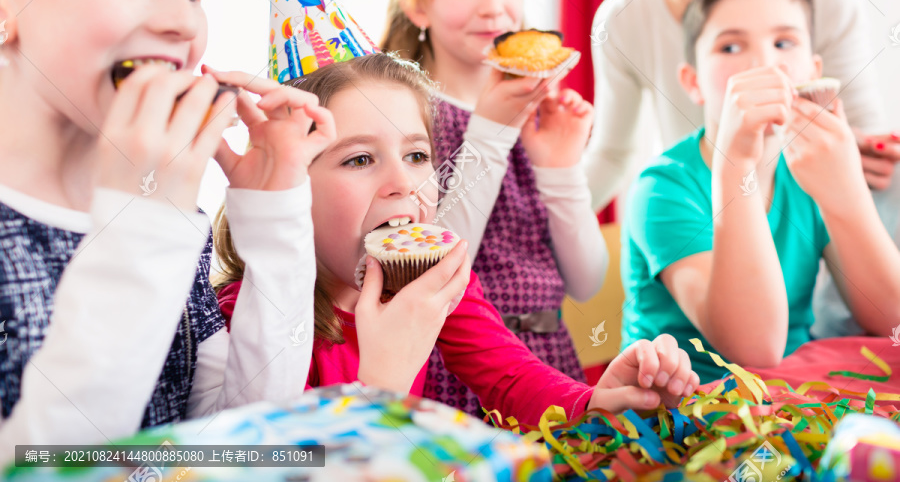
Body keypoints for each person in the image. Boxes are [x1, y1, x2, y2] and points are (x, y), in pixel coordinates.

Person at [0, 0, 333, 463]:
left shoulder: (172, 216)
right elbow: (44, 468)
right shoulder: (149, 220)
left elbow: (233, 439)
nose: (182, 21)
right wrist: (145, 229)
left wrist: (274, 213)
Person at [216, 52, 699, 425]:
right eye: (360, 159)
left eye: (417, 155)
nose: (402, 183)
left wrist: (597, 404)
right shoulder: (253, 317)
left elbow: (510, 377)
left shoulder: (434, 277)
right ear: (290, 189)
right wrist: (380, 381)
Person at [380, 0, 607, 417]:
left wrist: (561, 167)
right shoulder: (409, 119)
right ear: (417, 3)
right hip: (462, 373)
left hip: (551, 362)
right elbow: (430, 264)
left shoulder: (538, 113)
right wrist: (489, 135)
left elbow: (586, 281)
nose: (494, 4)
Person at [622, 0, 900, 383]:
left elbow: (891, 320)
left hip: (796, 403)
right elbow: (755, 350)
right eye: (731, 48)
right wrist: (736, 165)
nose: (764, 65)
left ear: (813, 69)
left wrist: (846, 192)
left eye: (784, 42)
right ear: (692, 82)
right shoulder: (662, 191)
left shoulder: (809, 170)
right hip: (688, 412)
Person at [586, 0, 893, 213]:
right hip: (699, 217)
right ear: (691, 79)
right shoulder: (622, 21)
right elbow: (611, 154)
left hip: (806, 214)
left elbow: (865, 130)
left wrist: (858, 150)